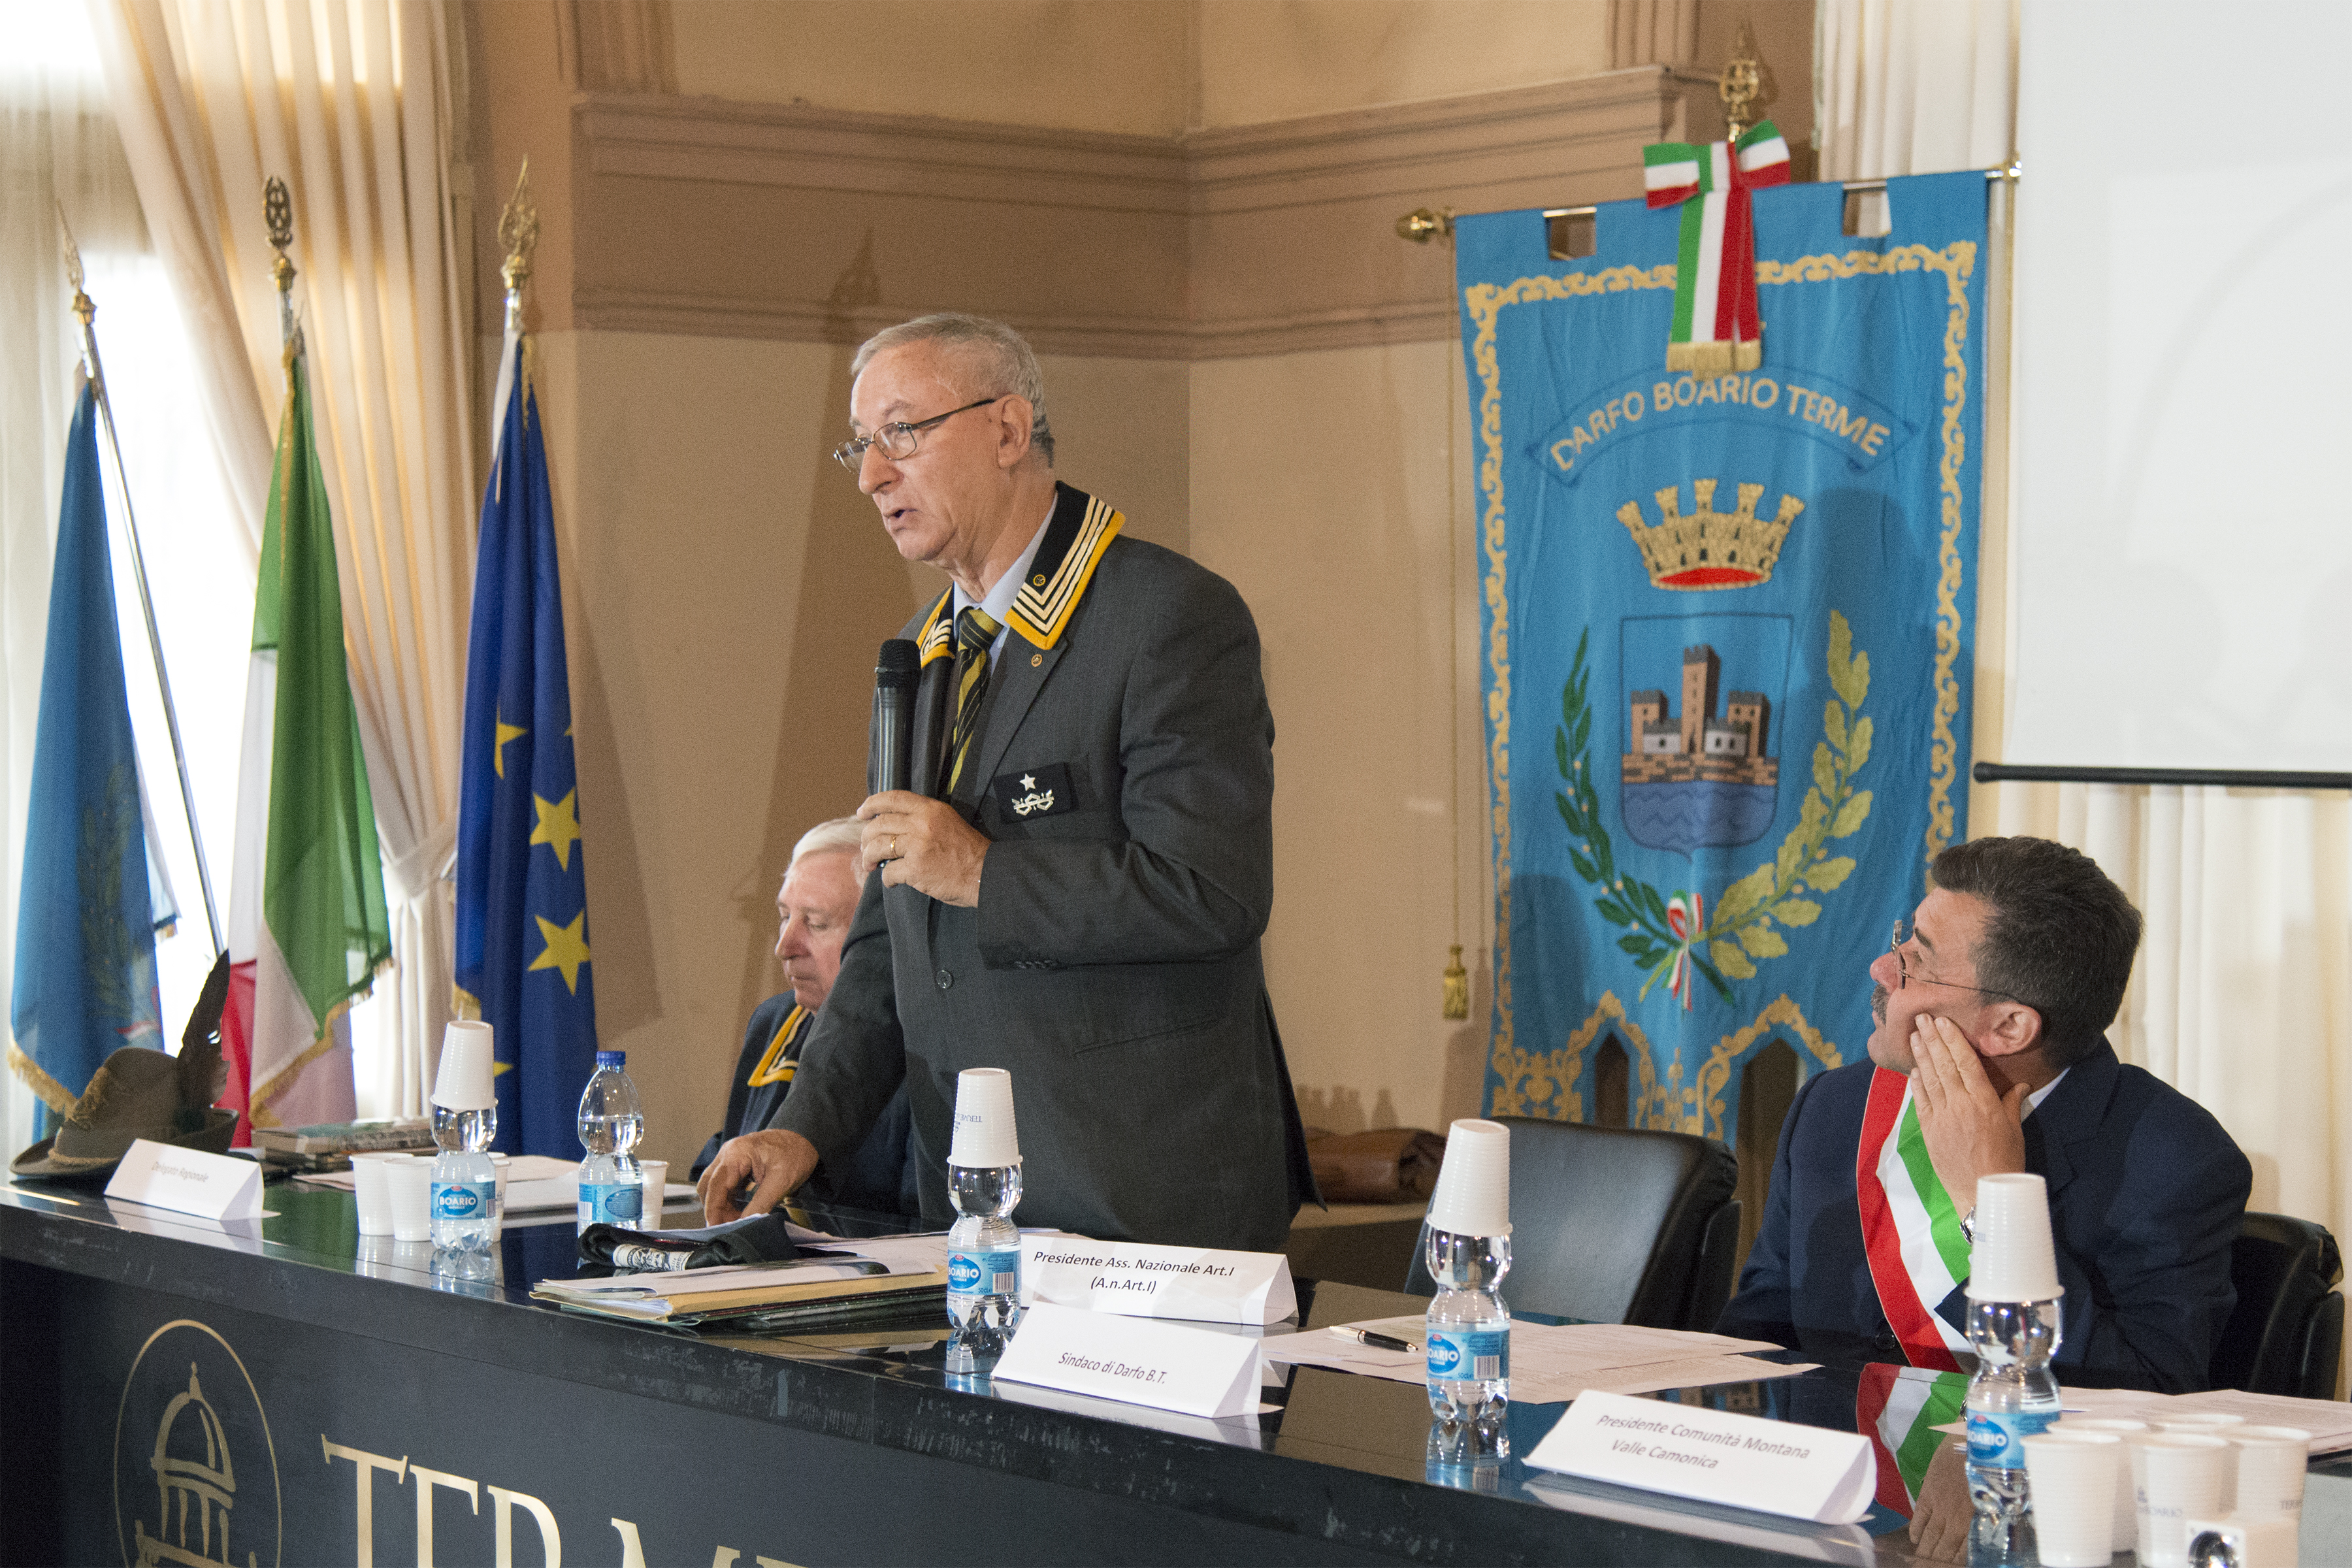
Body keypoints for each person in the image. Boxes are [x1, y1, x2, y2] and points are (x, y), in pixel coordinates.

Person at [698, 313, 1314, 1250]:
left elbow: (1213, 892)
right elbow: (883, 940)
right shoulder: (920, 656)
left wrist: (986, 874)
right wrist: (804, 1125)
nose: (872, 475)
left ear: (1009, 430)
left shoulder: (1168, 619)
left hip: (1144, 1200)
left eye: (901, 433)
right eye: (861, 447)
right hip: (975, 1207)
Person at [1718, 835, 2250, 1392]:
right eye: (1902, 943)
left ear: (2009, 1027)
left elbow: (2148, 1394)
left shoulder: (2177, 1162)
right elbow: (1758, 1340)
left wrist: (1989, 1203)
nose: (1880, 969)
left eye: (1917, 962)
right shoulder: (1835, 1108)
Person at [689, 817, 914, 1215]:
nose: (784, 946)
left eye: (816, 923)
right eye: (784, 916)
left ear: (879, 937)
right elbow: (727, 1152)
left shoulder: (915, 1040)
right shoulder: (775, 1019)